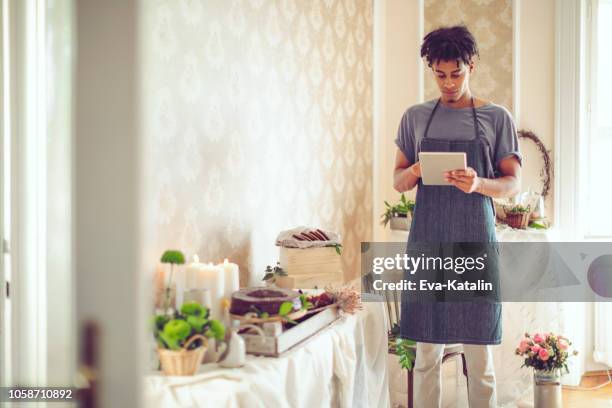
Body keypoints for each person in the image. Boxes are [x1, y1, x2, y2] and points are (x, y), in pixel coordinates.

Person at [393, 25, 522, 407]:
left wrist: (478, 183)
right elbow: (398, 181)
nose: (448, 83)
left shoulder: (498, 118)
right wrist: (416, 170)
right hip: (428, 242)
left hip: (475, 243)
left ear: (472, 66)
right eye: (440, 74)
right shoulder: (415, 117)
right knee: (427, 355)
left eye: (457, 73)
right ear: (431, 69)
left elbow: (512, 183)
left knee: (479, 356)